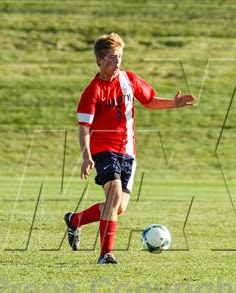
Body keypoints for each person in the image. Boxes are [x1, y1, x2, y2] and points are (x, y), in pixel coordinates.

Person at [64, 33, 194, 264]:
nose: (118, 62)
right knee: (113, 195)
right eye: (113, 58)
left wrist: (174, 103)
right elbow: (83, 128)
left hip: (128, 151)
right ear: (100, 61)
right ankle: (105, 255)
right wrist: (86, 157)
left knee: (117, 207)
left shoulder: (129, 79)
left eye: (120, 57)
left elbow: (149, 100)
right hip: (103, 149)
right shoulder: (92, 91)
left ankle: (75, 220)